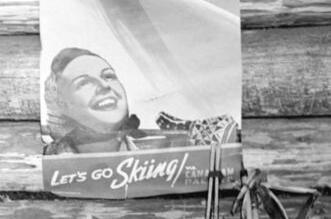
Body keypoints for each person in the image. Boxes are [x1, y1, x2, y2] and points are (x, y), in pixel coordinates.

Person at [42, 47, 210, 156]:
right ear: (62, 104)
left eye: (108, 76)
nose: (104, 86)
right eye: (84, 83)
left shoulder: (162, 153)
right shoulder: (51, 162)